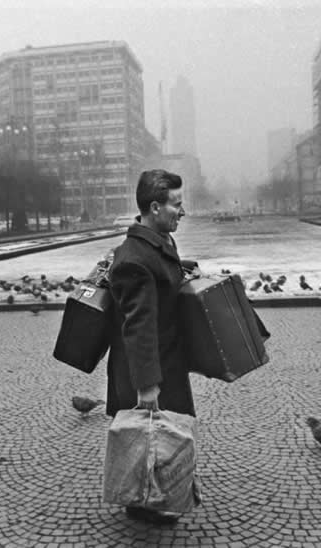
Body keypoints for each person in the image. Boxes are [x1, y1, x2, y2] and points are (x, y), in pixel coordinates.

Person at [105, 169, 196, 525]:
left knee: (159, 435)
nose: (182, 211)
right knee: (148, 435)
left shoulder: (157, 243)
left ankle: (154, 497)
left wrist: (183, 270)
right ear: (155, 207)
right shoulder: (133, 260)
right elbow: (138, 326)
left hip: (165, 359)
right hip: (147, 368)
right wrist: (146, 384)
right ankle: (145, 505)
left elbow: (163, 274)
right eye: (176, 205)